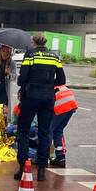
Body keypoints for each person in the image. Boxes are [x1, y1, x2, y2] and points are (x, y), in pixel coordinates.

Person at [14, 33, 65, 182]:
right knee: (44, 133)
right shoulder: (54, 57)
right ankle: (42, 170)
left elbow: (22, 79)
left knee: (23, 131)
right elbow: (61, 79)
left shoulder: (30, 55)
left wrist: (25, 82)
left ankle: (22, 167)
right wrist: (48, 85)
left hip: (30, 97)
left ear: (33, 43)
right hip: (48, 98)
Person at [48, 84, 78, 167]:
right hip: (71, 101)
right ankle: (61, 157)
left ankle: (44, 157)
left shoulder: (39, 88)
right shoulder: (51, 82)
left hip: (61, 102)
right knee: (58, 130)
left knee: (48, 130)